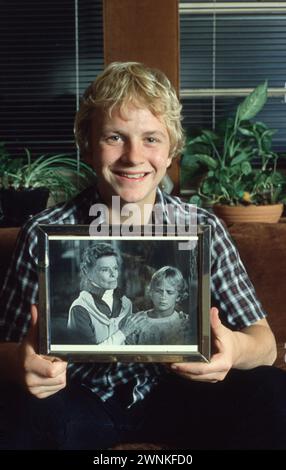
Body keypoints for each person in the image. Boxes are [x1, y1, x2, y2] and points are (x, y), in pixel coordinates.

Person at [0, 61, 286, 450]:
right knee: (20, 411)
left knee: (272, 391)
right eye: (115, 137)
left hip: (181, 394)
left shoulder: (203, 228)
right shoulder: (45, 232)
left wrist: (233, 350)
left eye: (151, 139)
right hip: (79, 399)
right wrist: (20, 364)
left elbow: (265, 344)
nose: (133, 157)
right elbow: (4, 346)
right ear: (87, 144)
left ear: (172, 151)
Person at [67, 242, 143, 345]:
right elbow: (87, 355)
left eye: (115, 268)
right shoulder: (80, 309)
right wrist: (123, 333)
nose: (113, 275)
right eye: (105, 270)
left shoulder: (126, 303)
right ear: (86, 272)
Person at [128, 266, 190, 345]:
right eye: (158, 291)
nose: (163, 296)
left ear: (178, 297)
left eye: (169, 292)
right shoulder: (136, 322)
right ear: (151, 292)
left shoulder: (184, 323)